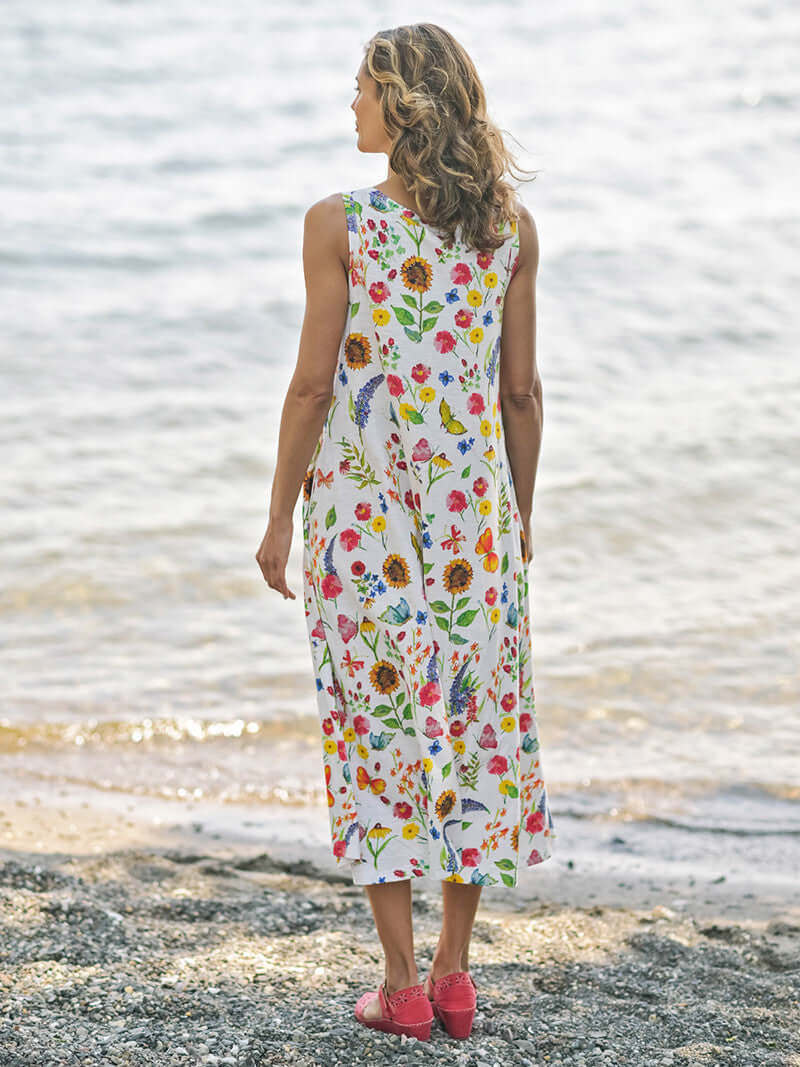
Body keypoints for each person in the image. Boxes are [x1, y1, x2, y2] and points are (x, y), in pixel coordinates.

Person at [256, 22, 556, 1042]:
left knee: (377, 730)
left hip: (358, 516)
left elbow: (308, 384)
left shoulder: (338, 225)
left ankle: (400, 986)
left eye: (361, 89)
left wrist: (273, 518)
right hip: (474, 517)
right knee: (475, 726)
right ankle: (454, 973)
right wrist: (515, 521)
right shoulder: (506, 230)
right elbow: (518, 392)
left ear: (401, 106)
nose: (350, 106)